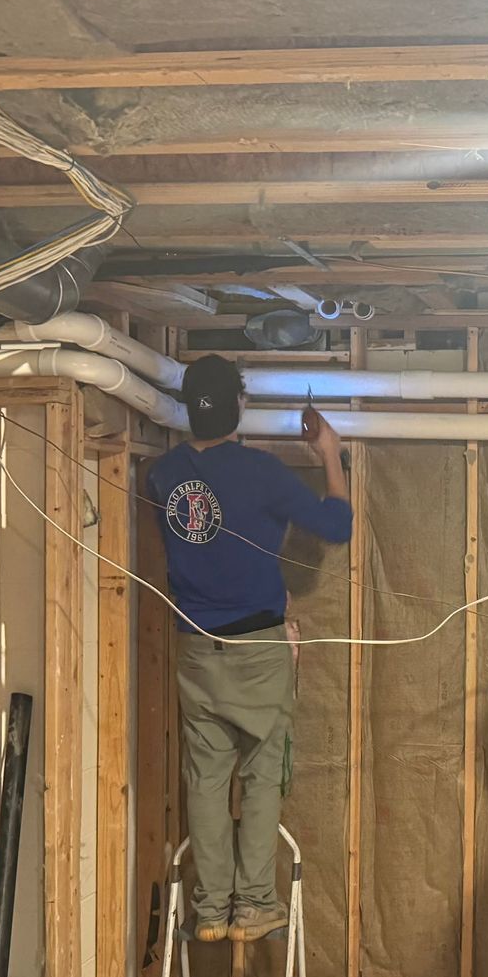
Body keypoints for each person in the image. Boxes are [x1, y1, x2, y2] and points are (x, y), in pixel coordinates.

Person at [147, 355, 351, 944]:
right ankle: (254, 906)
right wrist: (329, 454)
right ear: (239, 404)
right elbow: (335, 526)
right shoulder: (261, 473)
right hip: (258, 647)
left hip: (196, 648)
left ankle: (211, 911)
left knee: (207, 778)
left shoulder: (162, 477)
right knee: (263, 771)